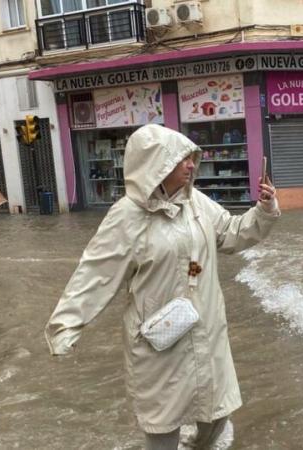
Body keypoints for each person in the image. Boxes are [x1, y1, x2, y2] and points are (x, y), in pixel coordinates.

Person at [44, 124, 280, 449]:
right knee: (163, 425)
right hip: (160, 341)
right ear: (156, 163)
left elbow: (230, 232)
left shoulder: (195, 203)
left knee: (216, 414)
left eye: (191, 158)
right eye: (181, 158)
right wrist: (65, 325)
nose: (191, 165)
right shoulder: (126, 216)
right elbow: (95, 273)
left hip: (206, 329)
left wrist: (263, 211)